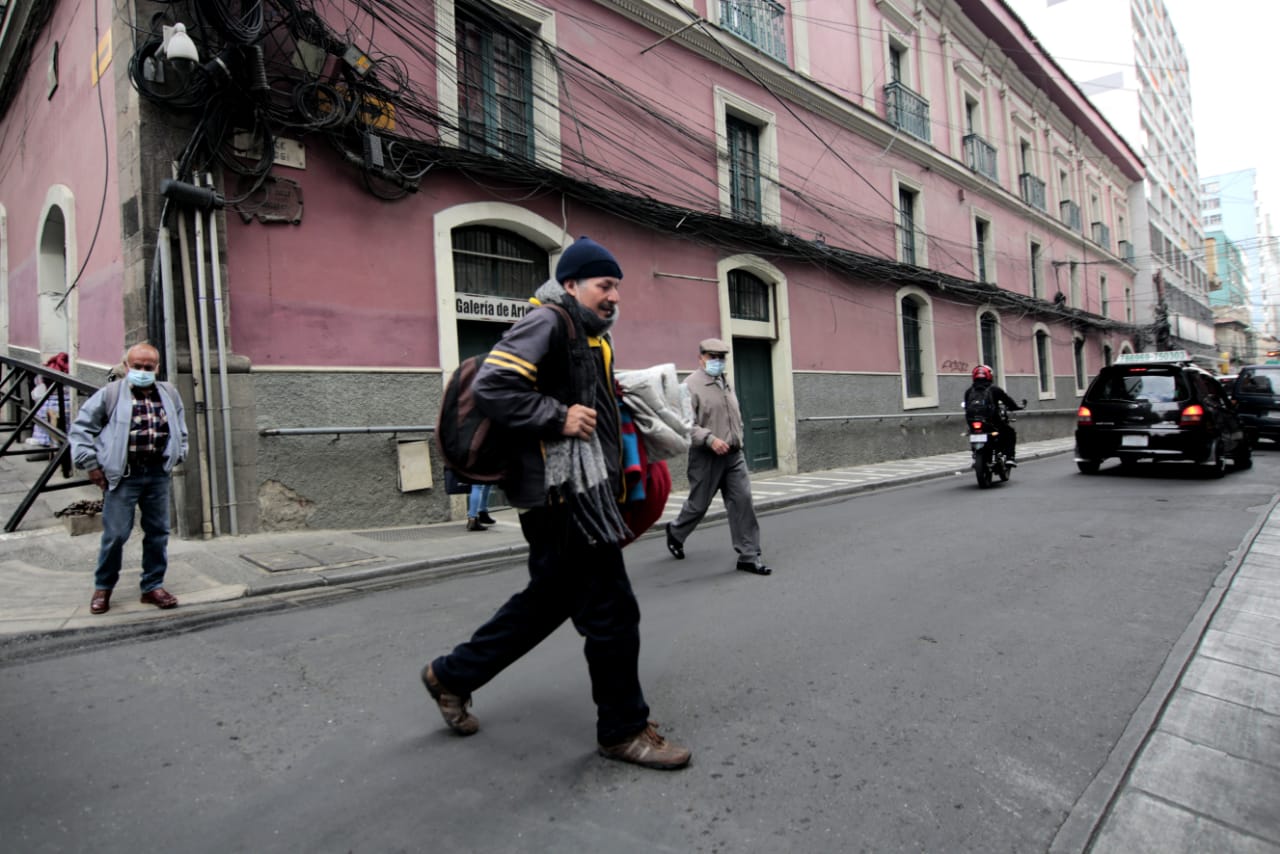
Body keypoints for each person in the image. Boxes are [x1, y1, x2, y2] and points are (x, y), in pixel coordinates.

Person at [422, 236, 691, 770]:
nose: (613, 296)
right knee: (612, 611)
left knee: (548, 601)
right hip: (563, 497)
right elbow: (496, 384)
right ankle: (622, 730)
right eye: (603, 285)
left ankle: (451, 675)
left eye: (617, 286)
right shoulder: (548, 320)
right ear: (571, 284)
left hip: (577, 493)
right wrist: (557, 416)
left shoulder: (589, 333)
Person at [70, 343, 188, 615]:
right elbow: (81, 429)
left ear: (157, 368)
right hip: (123, 476)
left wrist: (179, 453)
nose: (143, 371)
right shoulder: (110, 394)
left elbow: (180, 429)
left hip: (157, 473)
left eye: (148, 367)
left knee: (158, 533)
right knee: (116, 535)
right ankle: (103, 587)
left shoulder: (169, 393)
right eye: (137, 366)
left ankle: (152, 587)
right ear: (126, 366)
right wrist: (91, 464)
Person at [664, 338, 770, 575]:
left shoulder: (725, 382)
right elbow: (682, 425)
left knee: (743, 501)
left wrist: (737, 436)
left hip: (733, 456)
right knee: (698, 504)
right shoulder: (688, 386)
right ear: (700, 358)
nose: (718, 362)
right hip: (706, 457)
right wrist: (709, 439)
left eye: (722, 357)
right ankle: (676, 531)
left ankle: (749, 555)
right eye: (713, 357)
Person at [963, 364, 1022, 465]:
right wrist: (1016, 407)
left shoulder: (969, 391)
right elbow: (1007, 401)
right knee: (1009, 432)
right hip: (991, 422)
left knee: (973, 433)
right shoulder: (994, 389)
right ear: (989, 376)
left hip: (973, 422)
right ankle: (1009, 457)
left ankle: (975, 455)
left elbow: (966, 406)